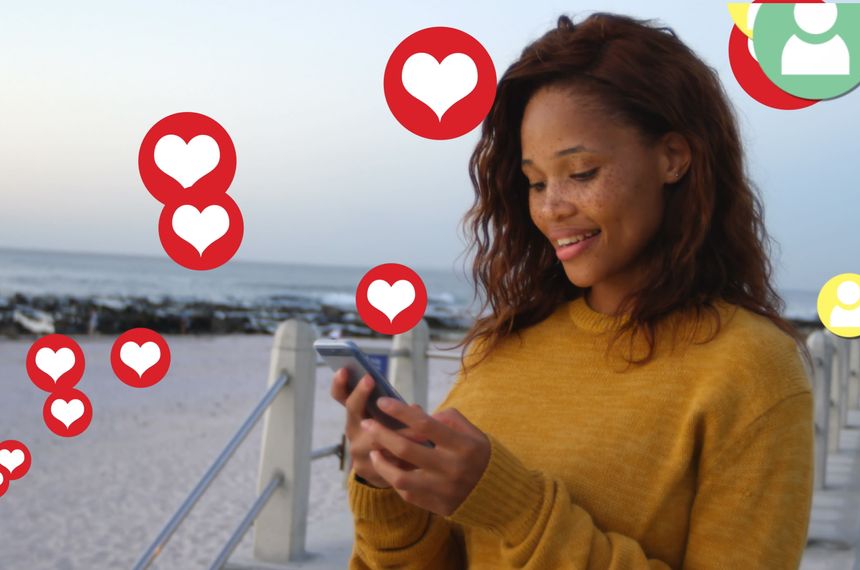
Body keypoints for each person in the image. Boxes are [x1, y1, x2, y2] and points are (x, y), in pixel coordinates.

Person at [331, 12, 813, 569]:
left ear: (673, 158)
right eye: (535, 182)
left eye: (581, 172)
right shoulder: (503, 345)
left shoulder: (750, 367)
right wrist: (385, 486)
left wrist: (514, 509)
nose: (552, 207)